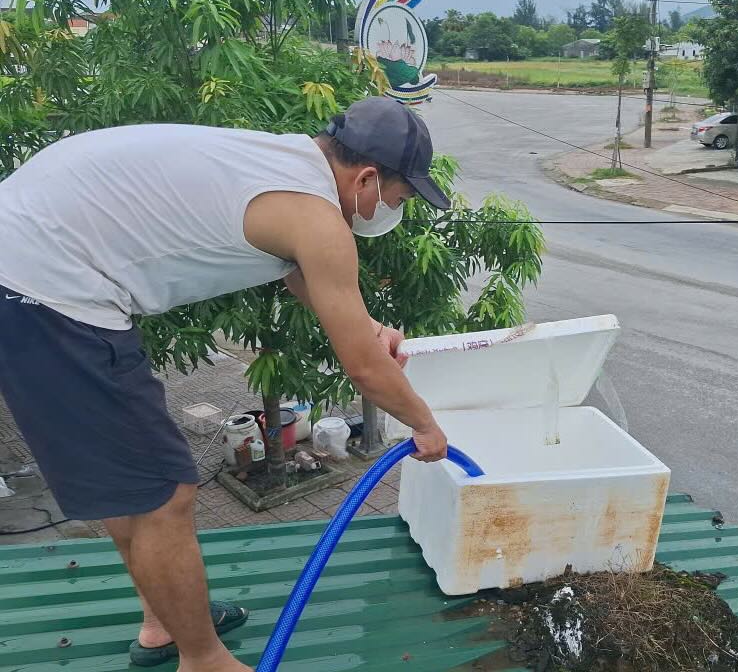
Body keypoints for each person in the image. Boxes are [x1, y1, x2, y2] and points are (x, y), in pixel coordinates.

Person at [0, 97, 451, 670]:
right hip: (49, 291)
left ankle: (164, 620)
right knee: (166, 494)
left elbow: (299, 275)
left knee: (131, 484)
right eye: (399, 196)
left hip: (33, 264)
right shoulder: (317, 218)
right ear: (365, 177)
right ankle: (203, 659)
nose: (395, 208)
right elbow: (362, 367)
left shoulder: (289, 161)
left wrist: (370, 327)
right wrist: (425, 424)